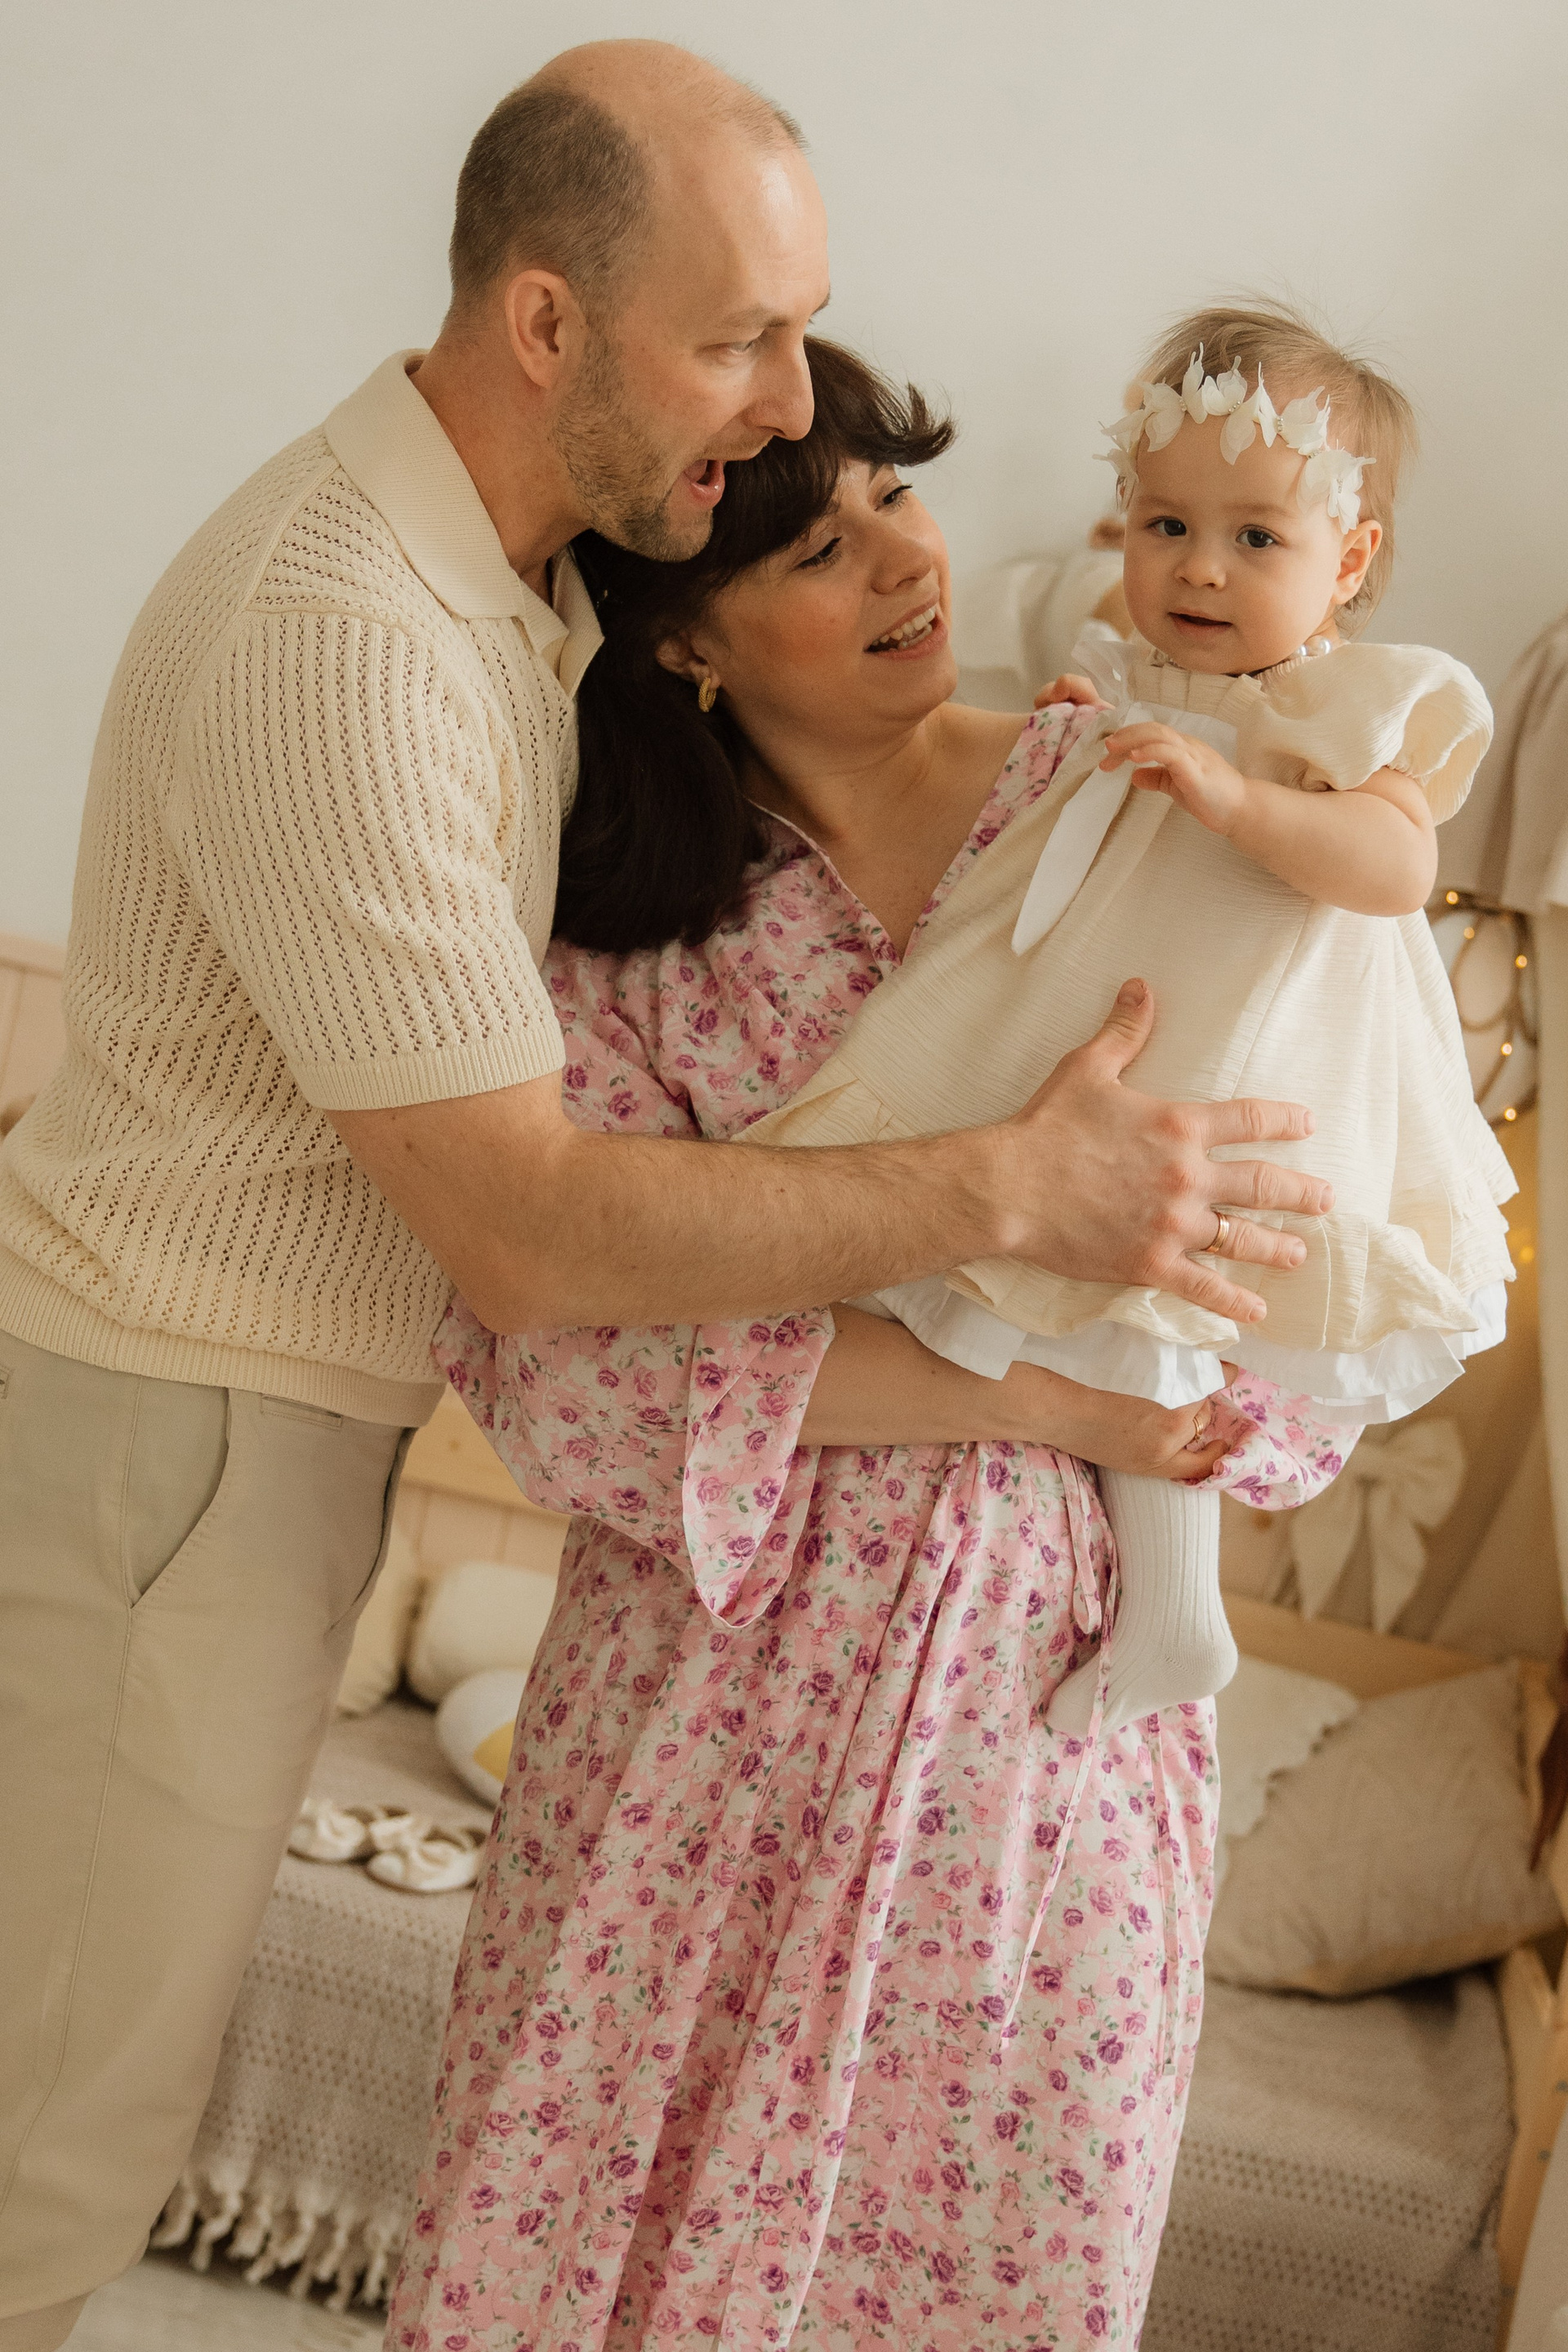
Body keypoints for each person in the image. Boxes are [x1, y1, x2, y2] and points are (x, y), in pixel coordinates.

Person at [0, 53, 1331, 2347]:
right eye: (741, 344)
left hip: (956, 1694)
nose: (788, 402)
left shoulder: (549, 619)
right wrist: (1021, 1218)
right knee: (58, 2145)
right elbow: (532, 1250)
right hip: (210, 1440)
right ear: (549, 324)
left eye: (819, 369)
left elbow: (1320, 1214)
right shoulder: (362, 642)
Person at [385, 337, 1351, 2352]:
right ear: (687, 644)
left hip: (1051, 1734)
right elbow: (563, 1362)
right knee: (582, 2268)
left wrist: (1133, 1382)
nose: (908, 560)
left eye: (897, 499)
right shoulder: (616, 950)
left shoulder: (1136, 804)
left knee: (987, 2272)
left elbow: (1314, 1262)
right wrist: (1044, 1387)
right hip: (695, 1730)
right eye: (819, 551)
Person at [740, 304, 1514, 1735]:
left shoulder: (1356, 701)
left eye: (1256, 537)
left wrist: (1239, 797)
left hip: (1255, 1054)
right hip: (1123, 1029)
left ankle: (1176, 1610)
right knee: (1072, 1285)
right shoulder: (1136, 673)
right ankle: (1162, 1613)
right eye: (1166, 526)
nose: (1199, 568)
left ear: (1348, 560)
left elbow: (1395, 864)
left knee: (1168, 1305)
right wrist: (1083, 737)